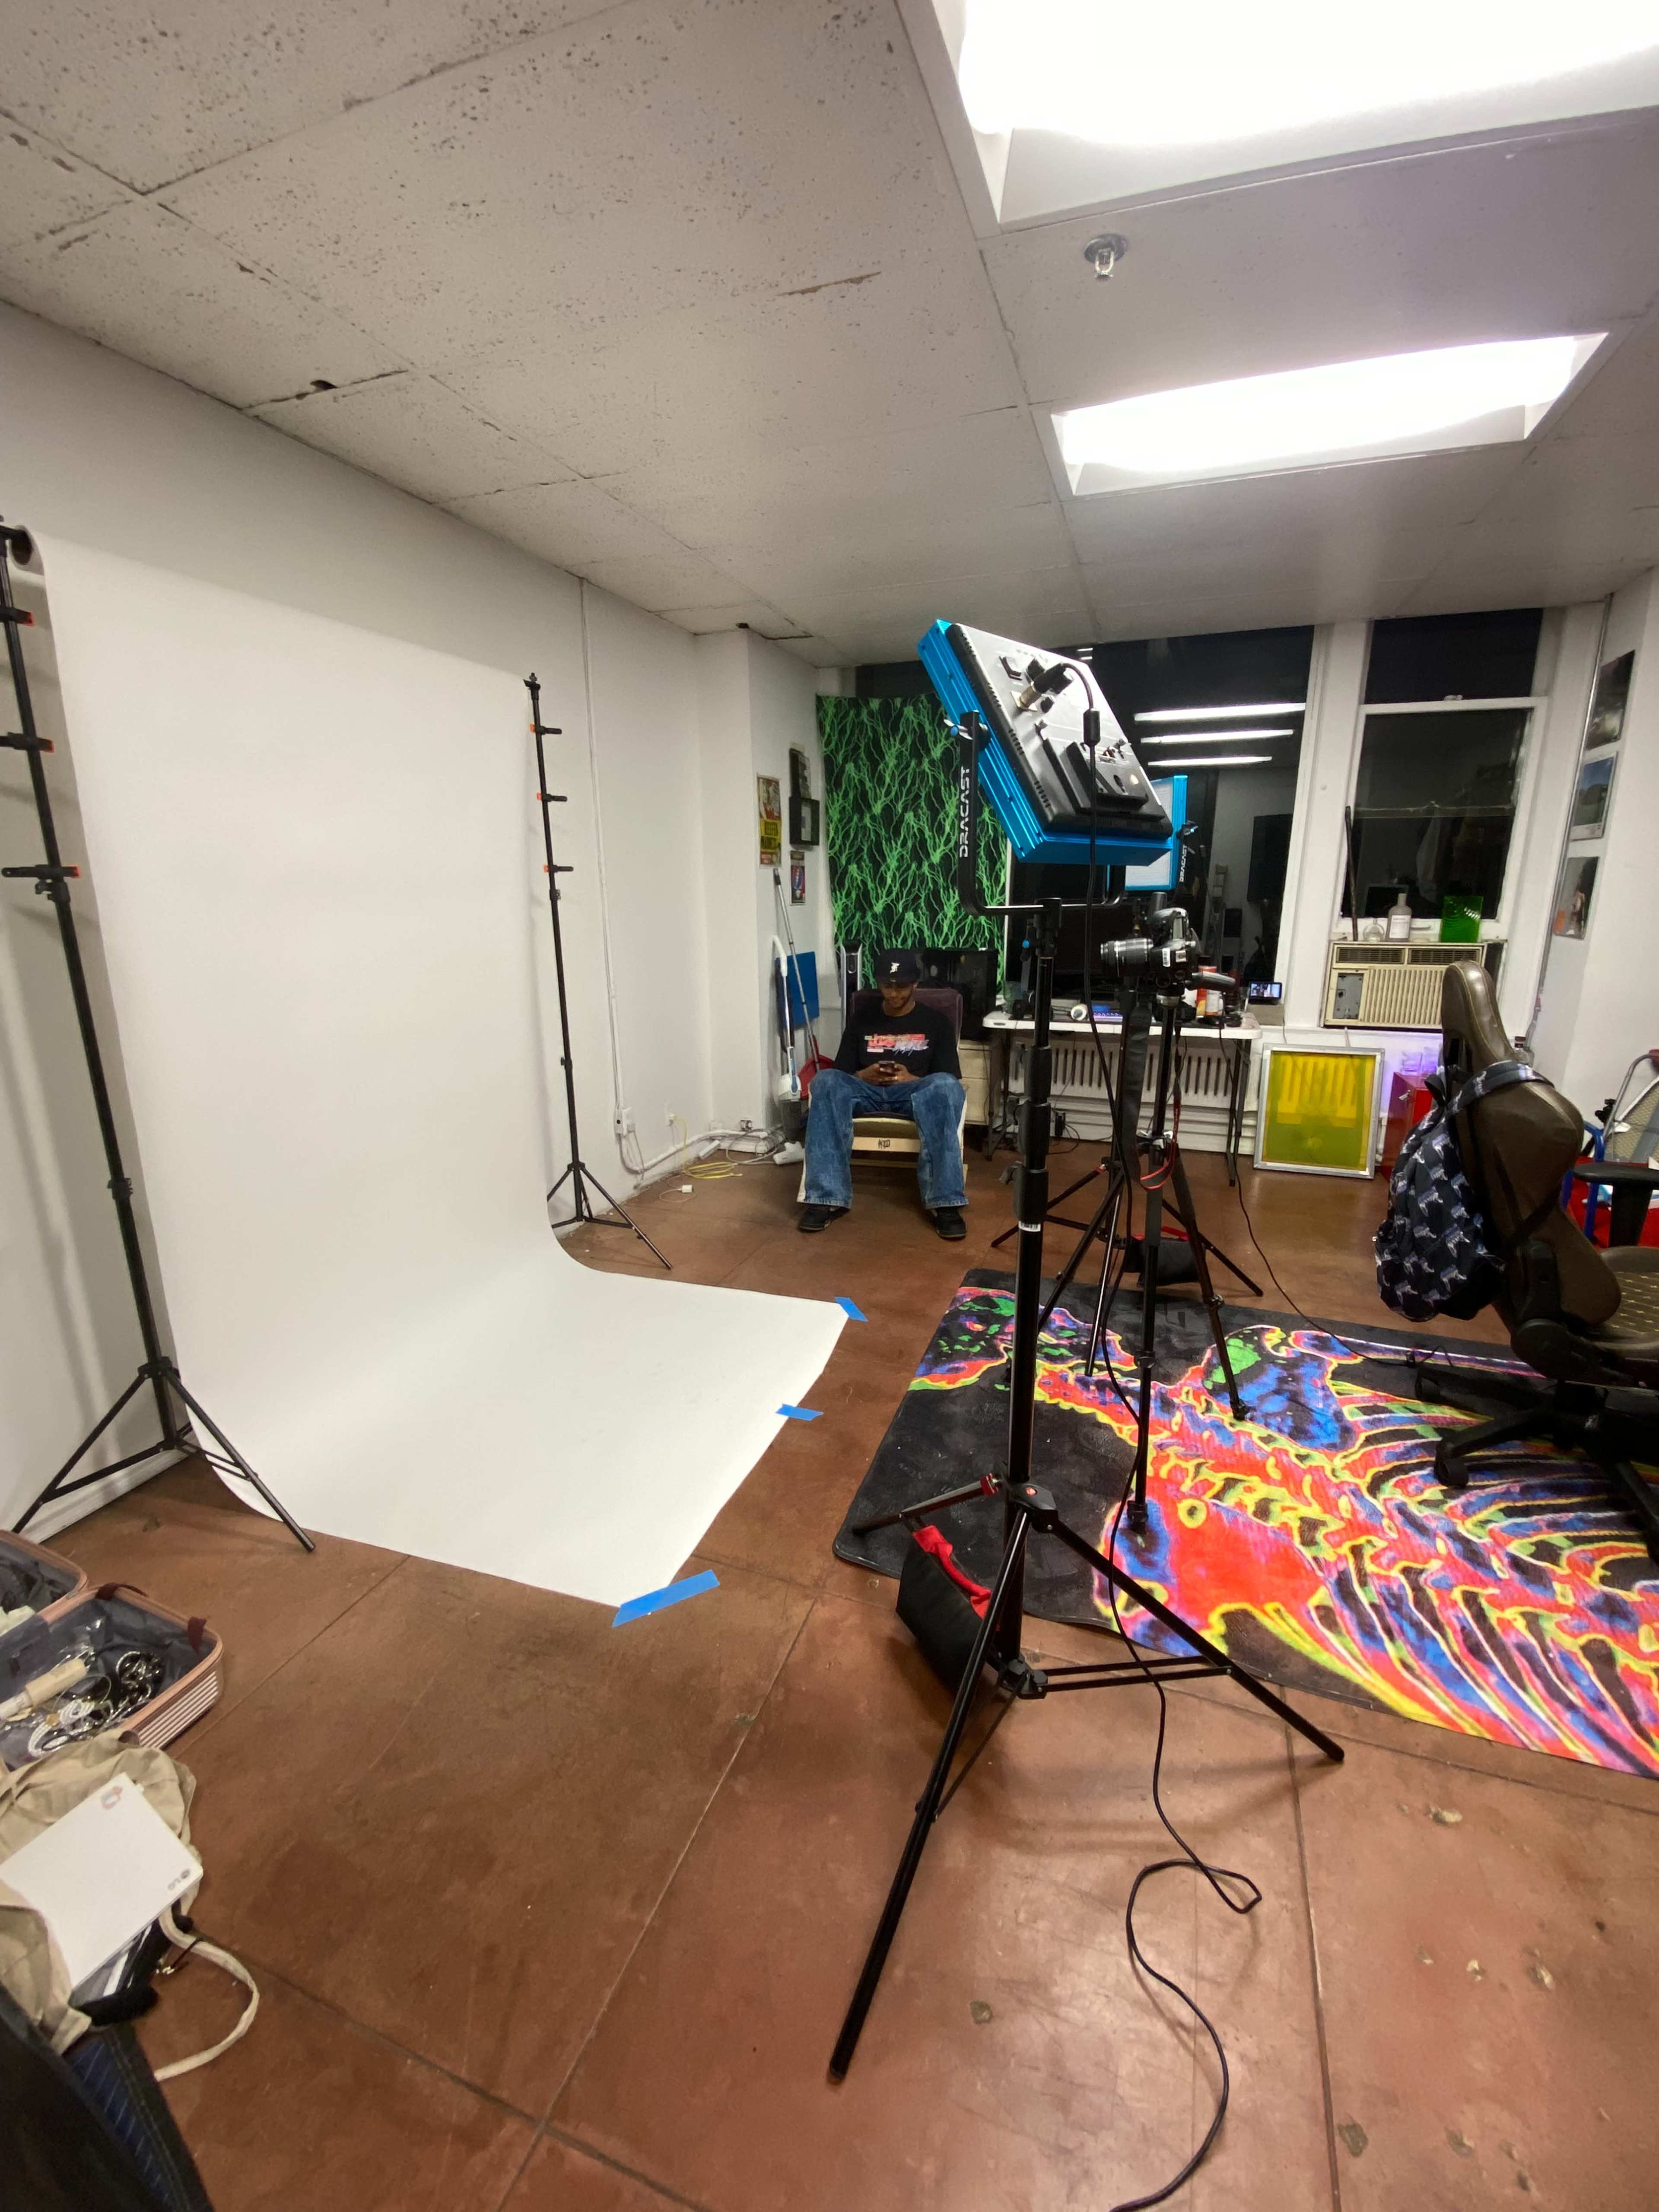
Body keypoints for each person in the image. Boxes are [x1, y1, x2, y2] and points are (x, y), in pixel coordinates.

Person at [799, 951, 967, 1238]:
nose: (893, 993)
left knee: (943, 1087)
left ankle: (945, 1204)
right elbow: (843, 1074)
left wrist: (910, 1078)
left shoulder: (937, 1023)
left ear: (915, 984)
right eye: (887, 986)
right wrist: (865, 1075)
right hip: (867, 1092)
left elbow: (949, 1080)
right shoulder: (862, 1020)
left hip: (915, 1094)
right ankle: (825, 1199)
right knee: (826, 1082)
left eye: (901, 986)